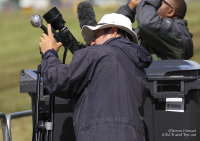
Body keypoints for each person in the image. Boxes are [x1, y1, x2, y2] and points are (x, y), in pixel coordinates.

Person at [39, 13, 152, 141]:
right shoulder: (138, 67)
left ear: (113, 31)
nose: (92, 42)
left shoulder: (98, 53)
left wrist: (49, 53)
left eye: (96, 35)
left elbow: (58, 81)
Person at [116, 0, 194, 60]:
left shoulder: (178, 33)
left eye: (159, 0)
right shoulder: (150, 31)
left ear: (170, 12)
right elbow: (112, 33)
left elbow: (147, 22)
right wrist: (130, 8)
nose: (155, 2)